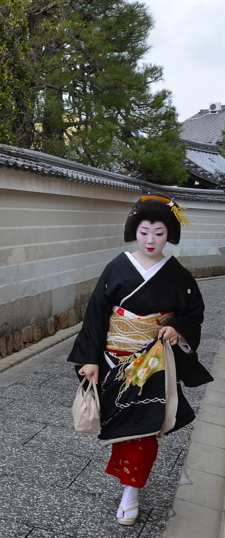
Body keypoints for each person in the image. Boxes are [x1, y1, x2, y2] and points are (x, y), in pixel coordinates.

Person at [68, 195, 213, 526]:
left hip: (153, 364)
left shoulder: (178, 276)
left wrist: (176, 327)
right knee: (121, 426)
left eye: (159, 233)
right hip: (113, 361)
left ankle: (130, 492)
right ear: (135, 230)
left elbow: (193, 314)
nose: (150, 240)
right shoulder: (117, 268)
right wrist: (89, 358)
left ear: (170, 235)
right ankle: (129, 483)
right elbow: (96, 314)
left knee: (143, 430)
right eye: (145, 231)